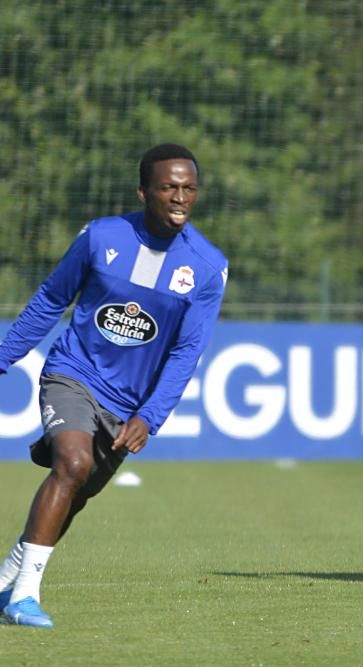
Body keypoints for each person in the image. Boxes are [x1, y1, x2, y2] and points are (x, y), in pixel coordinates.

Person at [0, 144, 228, 627]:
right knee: (74, 463)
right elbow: (50, 300)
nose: (180, 197)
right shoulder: (101, 237)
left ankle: (6, 582)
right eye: (169, 187)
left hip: (127, 406)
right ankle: (25, 597)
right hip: (73, 373)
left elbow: (187, 352)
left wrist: (150, 416)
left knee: (75, 493)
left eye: (189, 188)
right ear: (144, 191)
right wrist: (3, 358)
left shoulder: (207, 267)